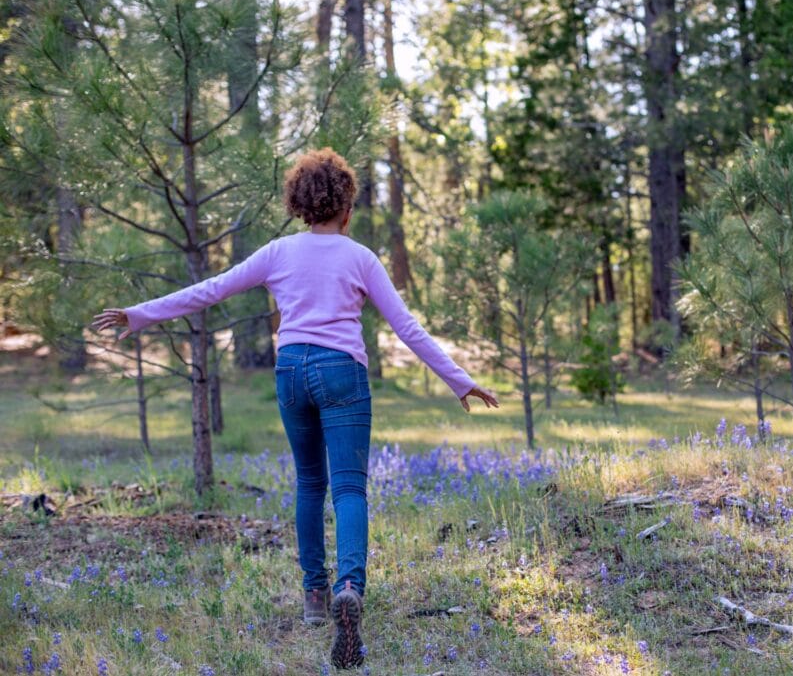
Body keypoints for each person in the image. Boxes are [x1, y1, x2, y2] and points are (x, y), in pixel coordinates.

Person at [90, 147, 498, 670]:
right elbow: (407, 328)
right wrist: (459, 381)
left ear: (301, 205)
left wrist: (139, 314)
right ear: (346, 207)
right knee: (349, 488)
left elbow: (210, 291)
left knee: (310, 484)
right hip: (341, 373)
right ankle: (350, 587)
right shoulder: (360, 257)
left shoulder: (278, 252)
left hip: (290, 372)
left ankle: (314, 597)